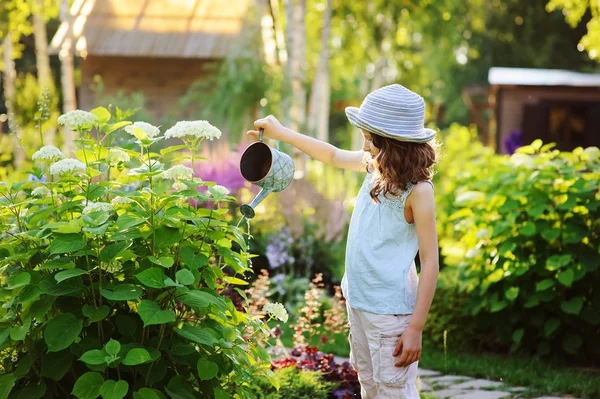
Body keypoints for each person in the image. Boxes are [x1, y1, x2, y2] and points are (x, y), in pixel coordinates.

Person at [248, 84, 440, 399]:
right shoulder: (375, 167)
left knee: (394, 391)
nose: (364, 144)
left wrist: (416, 328)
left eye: (370, 137)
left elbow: (430, 262)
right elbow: (333, 154)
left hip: (389, 313)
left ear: (393, 143)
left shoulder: (418, 192)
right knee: (370, 386)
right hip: (361, 304)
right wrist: (282, 133)